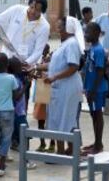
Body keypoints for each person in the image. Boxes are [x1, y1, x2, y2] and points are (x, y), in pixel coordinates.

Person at [0, 0, 50, 112]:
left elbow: (38, 52)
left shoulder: (44, 26)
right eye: (31, 7)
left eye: (37, 10)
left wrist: (24, 64)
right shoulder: (17, 10)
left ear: (42, 12)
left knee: (21, 101)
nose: (32, 11)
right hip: (5, 65)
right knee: (2, 98)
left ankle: (20, 126)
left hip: (22, 68)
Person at [36, 16, 84, 155]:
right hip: (60, 88)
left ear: (68, 28)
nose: (58, 29)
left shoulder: (72, 44)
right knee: (58, 119)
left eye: (60, 26)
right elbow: (56, 65)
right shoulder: (65, 43)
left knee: (66, 119)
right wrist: (38, 67)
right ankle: (64, 150)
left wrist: (54, 77)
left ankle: (64, 152)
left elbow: (73, 66)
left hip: (67, 88)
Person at [83, 22, 108, 154]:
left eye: (88, 32)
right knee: (93, 115)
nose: (85, 34)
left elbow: (100, 71)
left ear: (97, 34)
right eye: (85, 32)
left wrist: (92, 90)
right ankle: (97, 142)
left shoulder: (98, 50)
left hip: (97, 90)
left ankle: (98, 145)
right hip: (91, 89)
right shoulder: (92, 48)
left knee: (97, 115)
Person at [32, 44, 56, 153]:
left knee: (51, 118)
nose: (44, 52)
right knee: (40, 119)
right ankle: (42, 143)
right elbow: (36, 74)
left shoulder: (53, 59)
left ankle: (52, 143)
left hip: (50, 90)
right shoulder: (38, 60)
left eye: (45, 49)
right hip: (41, 90)